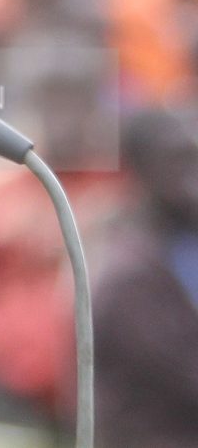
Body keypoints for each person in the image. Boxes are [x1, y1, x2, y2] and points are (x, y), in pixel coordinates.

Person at [92, 104, 198, 448]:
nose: (192, 175)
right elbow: (185, 378)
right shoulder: (127, 271)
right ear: (141, 169)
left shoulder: (182, 239)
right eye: (179, 160)